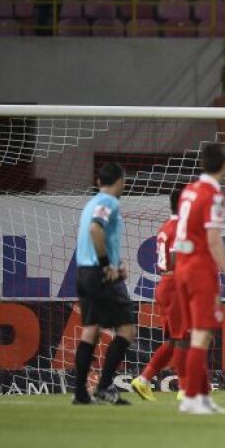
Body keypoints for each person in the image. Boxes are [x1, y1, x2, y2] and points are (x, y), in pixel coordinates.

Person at [174, 141, 225, 415]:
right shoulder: (213, 193)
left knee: (197, 335)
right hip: (200, 268)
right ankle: (191, 398)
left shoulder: (188, 190)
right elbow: (213, 239)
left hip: (182, 267)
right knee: (202, 336)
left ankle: (202, 396)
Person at [72, 162, 136, 406]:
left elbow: (95, 231)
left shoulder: (90, 203)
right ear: (121, 180)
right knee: (127, 330)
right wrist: (107, 264)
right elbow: (95, 229)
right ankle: (104, 386)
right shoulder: (109, 202)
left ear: (98, 182)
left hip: (84, 272)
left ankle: (80, 393)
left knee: (91, 330)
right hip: (100, 274)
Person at [130, 187, 190, 402]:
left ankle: (143, 380)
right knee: (183, 338)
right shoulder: (181, 228)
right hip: (175, 284)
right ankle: (185, 389)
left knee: (177, 340)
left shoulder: (167, 226)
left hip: (166, 283)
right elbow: (175, 258)